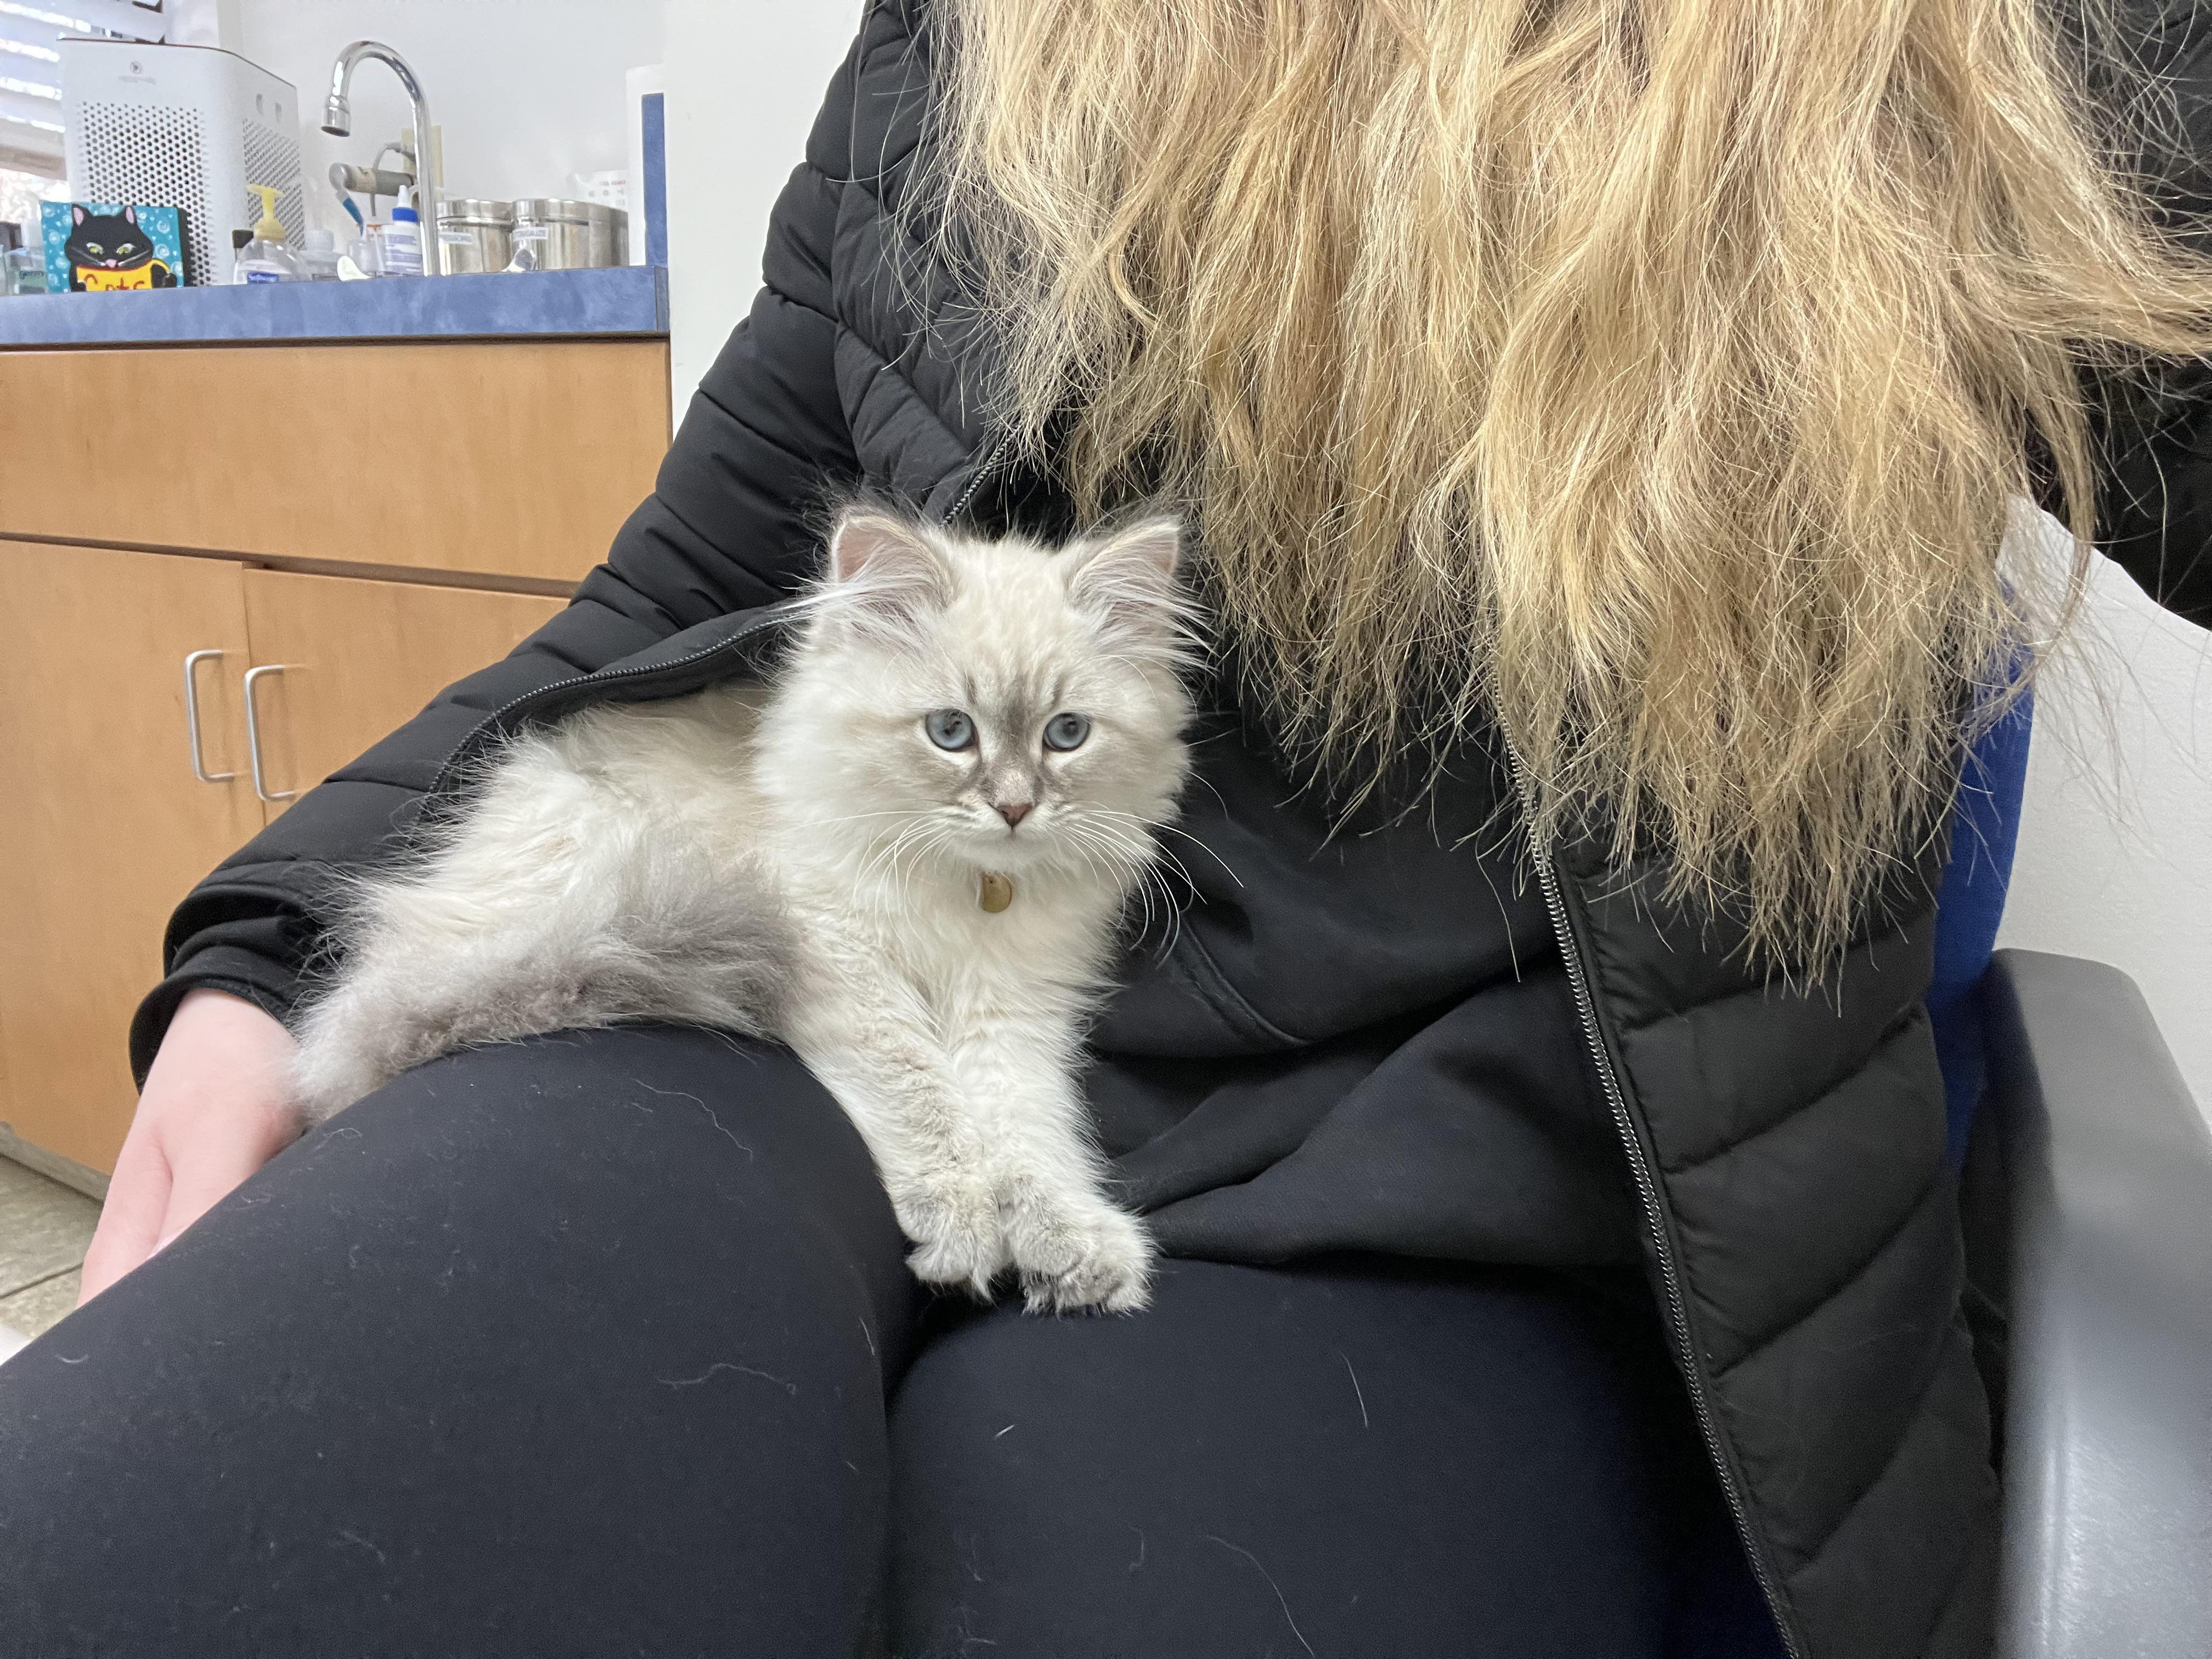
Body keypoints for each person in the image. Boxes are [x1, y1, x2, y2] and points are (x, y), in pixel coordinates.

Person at [7, 2, 2212, 1654]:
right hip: (798, 1007)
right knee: (213, 1527)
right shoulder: (975, 35)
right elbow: (686, 584)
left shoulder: (1952, 52)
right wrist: (272, 949)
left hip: (1411, 1197)